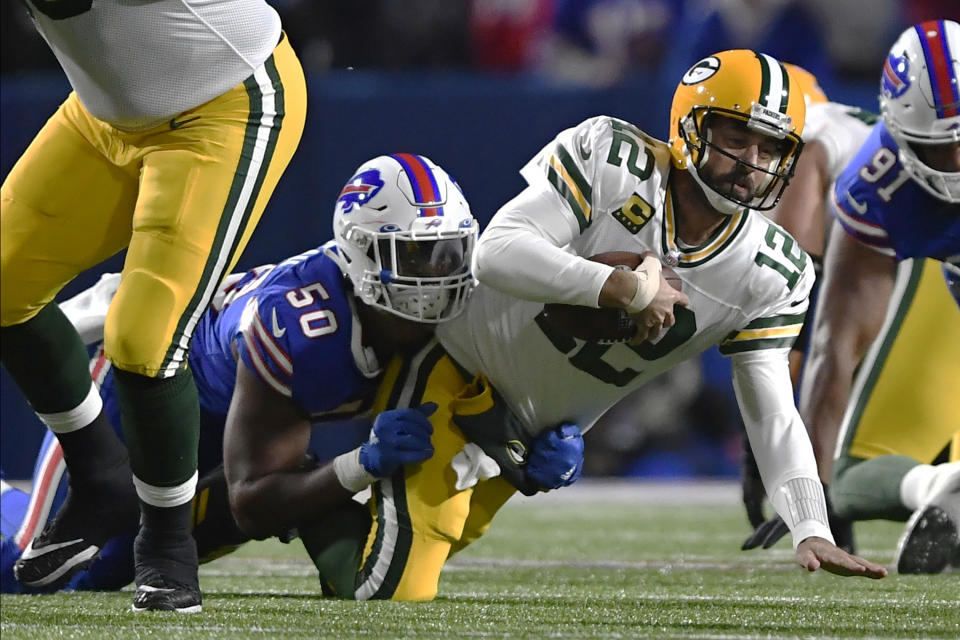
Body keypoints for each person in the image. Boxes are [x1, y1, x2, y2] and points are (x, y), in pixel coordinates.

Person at [299, 49, 887, 603]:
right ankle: (296, 497)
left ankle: (308, 501)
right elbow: (497, 251)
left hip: (541, 436)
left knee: (437, 537)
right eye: (737, 139)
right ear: (690, 128)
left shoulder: (772, 270)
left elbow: (772, 411)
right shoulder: (615, 159)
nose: (752, 165)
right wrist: (621, 288)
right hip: (461, 368)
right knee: (393, 587)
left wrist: (810, 523)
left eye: (769, 148)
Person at [1, 154, 490, 594]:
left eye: (448, 252)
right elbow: (252, 501)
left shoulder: (458, 309)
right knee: (43, 572)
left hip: (232, 432)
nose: (438, 275)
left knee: (107, 570)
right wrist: (360, 464)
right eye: (415, 255)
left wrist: (531, 441)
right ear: (361, 252)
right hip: (150, 388)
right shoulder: (300, 329)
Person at [0, 0, 309, 613]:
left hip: (224, 104)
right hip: (104, 115)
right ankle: (98, 478)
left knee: (143, 337)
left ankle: (168, 544)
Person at [739, 60, 960, 557]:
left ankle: (940, 490)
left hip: (926, 267)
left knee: (845, 473)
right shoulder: (865, 128)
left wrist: (774, 445)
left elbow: (790, 298)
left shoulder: (815, 139)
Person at [791, 19, 960, 574]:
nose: (958, 163)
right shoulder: (877, 183)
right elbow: (836, 344)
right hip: (942, 291)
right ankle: (946, 486)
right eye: (942, 149)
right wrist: (810, 503)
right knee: (840, 479)